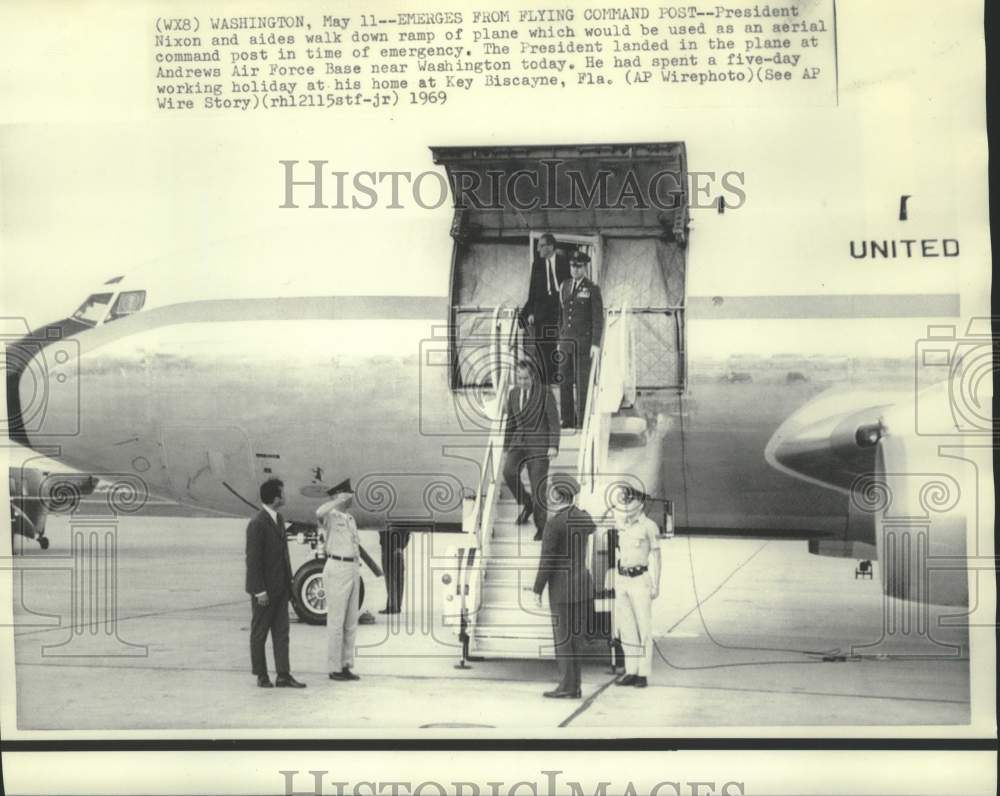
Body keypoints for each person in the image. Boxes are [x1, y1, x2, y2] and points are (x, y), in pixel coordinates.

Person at [531, 474, 595, 699]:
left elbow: (547, 560)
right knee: (576, 639)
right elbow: (592, 526)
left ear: (557, 496)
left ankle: (567, 687)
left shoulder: (554, 523)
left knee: (564, 639)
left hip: (562, 589)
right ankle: (575, 686)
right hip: (583, 587)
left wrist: (537, 589)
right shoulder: (584, 519)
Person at [245, 478, 306, 688]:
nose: (285, 496)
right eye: (283, 493)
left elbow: (283, 556)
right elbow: (252, 561)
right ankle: (261, 674)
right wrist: (259, 591)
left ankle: (283, 674)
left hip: (280, 588)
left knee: (282, 634)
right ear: (275, 497)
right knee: (260, 632)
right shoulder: (257, 523)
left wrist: (289, 586)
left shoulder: (278, 519)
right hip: (264, 591)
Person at [502, 359, 560, 541]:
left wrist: (553, 445)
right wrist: (506, 444)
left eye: (525, 378)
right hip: (518, 443)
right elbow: (511, 421)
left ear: (533, 377)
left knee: (538, 487)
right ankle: (526, 503)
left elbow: (554, 421)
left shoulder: (545, 393)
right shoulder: (513, 394)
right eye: (519, 378)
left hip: (539, 445)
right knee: (508, 473)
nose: (522, 382)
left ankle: (541, 527)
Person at [613, 487, 663, 688]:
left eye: (631, 501)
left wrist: (657, 584)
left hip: (640, 579)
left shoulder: (649, 526)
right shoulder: (622, 525)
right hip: (623, 579)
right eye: (625, 500)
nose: (627, 505)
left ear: (640, 504)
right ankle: (631, 670)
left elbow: (658, 557)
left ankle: (643, 673)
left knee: (644, 628)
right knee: (627, 629)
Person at [317, 479, 363, 682]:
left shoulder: (350, 519)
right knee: (336, 621)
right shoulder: (331, 516)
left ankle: (346, 664)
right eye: (348, 494)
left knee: (350, 622)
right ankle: (334, 667)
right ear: (339, 496)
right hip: (337, 567)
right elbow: (318, 512)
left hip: (352, 568)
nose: (351, 497)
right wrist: (336, 501)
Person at [558, 250, 604, 429]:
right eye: (572, 266)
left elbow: (597, 319)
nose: (575, 270)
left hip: (583, 344)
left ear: (585, 268)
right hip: (565, 343)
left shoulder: (592, 289)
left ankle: (582, 420)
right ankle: (567, 419)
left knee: (582, 382)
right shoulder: (564, 286)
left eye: (578, 267)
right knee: (565, 381)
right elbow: (560, 315)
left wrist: (595, 343)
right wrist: (559, 338)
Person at [523, 232, 570, 385]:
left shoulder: (564, 262)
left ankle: (559, 378)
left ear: (550, 247)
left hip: (559, 309)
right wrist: (530, 311)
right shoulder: (537, 265)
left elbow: (570, 286)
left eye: (541, 246)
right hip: (542, 312)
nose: (538, 250)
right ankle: (546, 381)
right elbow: (532, 290)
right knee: (543, 346)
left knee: (560, 345)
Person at [379, 525, 410, 615]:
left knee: (390, 580)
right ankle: (396, 606)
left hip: (389, 551)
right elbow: (407, 535)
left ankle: (392, 606)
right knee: (398, 580)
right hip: (398, 551)